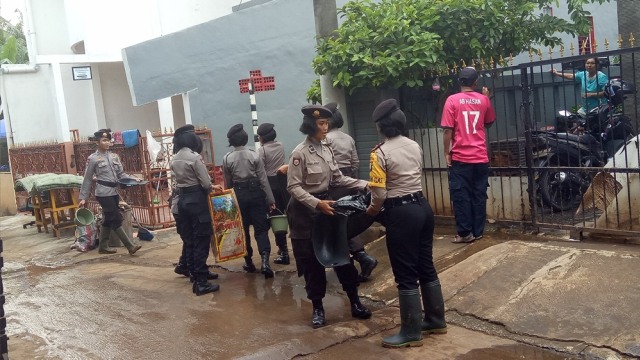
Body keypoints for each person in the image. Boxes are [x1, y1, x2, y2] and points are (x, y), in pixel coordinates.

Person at [366, 98, 446, 348]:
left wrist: (371, 211)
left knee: (405, 273)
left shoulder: (379, 153)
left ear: (381, 127)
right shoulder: (414, 145)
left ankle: (411, 332)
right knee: (425, 265)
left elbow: (378, 194)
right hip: (423, 208)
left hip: (401, 213)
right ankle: (435, 320)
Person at [287, 104, 372, 329]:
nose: (325, 127)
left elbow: (338, 179)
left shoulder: (327, 148)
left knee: (342, 257)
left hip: (329, 210)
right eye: (321, 124)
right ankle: (317, 308)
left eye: (326, 123)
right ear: (310, 125)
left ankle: (355, 301)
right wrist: (317, 204)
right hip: (306, 213)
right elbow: (294, 187)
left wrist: (365, 184)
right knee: (313, 265)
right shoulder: (299, 153)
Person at [324, 102, 378, 282]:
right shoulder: (348, 138)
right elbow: (355, 162)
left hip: (334, 183)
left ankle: (359, 259)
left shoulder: (326, 140)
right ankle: (359, 258)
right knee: (348, 221)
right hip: (350, 180)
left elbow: (326, 165)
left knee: (339, 224)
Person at [441, 67, 496, 243]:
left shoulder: (452, 100)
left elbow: (447, 130)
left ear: (460, 82)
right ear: (475, 82)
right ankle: (478, 232)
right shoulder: (483, 100)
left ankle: (465, 233)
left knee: (461, 195)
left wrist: (446, 152)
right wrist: (486, 98)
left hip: (461, 157)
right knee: (479, 195)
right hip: (480, 157)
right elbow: (489, 122)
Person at [171, 124, 220, 295]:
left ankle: (195, 273)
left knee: (190, 240)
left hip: (183, 200)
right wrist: (211, 187)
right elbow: (205, 184)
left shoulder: (175, 158)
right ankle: (201, 282)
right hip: (197, 202)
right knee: (201, 240)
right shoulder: (194, 157)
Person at [223, 124, 276, 279]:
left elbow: (228, 184)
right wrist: (270, 200)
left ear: (232, 141)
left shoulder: (227, 158)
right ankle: (265, 262)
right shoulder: (254, 155)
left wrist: (230, 203)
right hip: (256, 195)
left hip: (238, 196)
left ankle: (249, 262)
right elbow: (263, 180)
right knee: (261, 229)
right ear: (245, 139)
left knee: (243, 229)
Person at [78, 129, 143, 256]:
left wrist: (133, 179)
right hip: (102, 193)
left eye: (108, 140)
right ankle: (130, 245)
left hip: (113, 191)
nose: (107, 143)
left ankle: (103, 246)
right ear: (97, 142)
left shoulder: (114, 156)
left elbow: (121, 174)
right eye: (104, 140)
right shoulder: (93, 159)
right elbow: (87, 178)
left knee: (108, 219)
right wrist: (83, 197)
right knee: (115, 217)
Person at [256, 122, 291, 265]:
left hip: (270, 183)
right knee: (283, 214)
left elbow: (261, 171)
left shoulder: (262, 151)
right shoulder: (280, 145)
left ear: (262, 137)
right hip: (283, 181)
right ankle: (282, 248)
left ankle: (284, 252)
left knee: (275, 217)